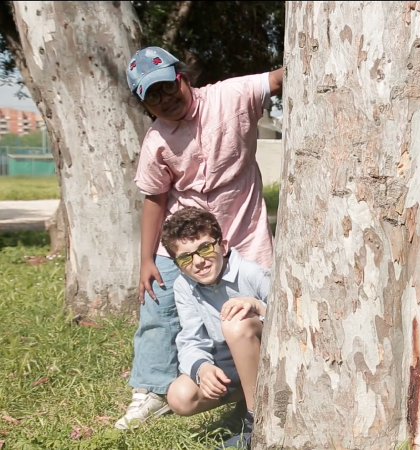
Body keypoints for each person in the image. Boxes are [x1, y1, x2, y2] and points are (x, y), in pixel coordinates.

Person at [116, 46, 282, 430]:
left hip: (240, 233)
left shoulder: (231, 96)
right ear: (145, 104)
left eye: (166, 86)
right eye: (151, 95)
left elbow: (276, 79)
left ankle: (260, 389)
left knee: (257, 309)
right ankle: (152, 391)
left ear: (182, 77)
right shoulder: (156, 140)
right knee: (159, 310)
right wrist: (147, 259)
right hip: (179, 243)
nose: (164, 98)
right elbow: (154, 199)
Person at [160, 207, 270, 449]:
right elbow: (189, 339)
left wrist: (258, 306)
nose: (199, 261)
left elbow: (291, 313)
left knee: (234, 322)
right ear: (178, 265)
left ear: (224, 245)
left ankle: (256, 425)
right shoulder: (184, 286)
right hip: (228, 358)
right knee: (180, 396)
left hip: (267, 357)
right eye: (186, 257)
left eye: (205, 248)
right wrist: (202, 368)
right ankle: (246, 399)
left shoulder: (251, 273)